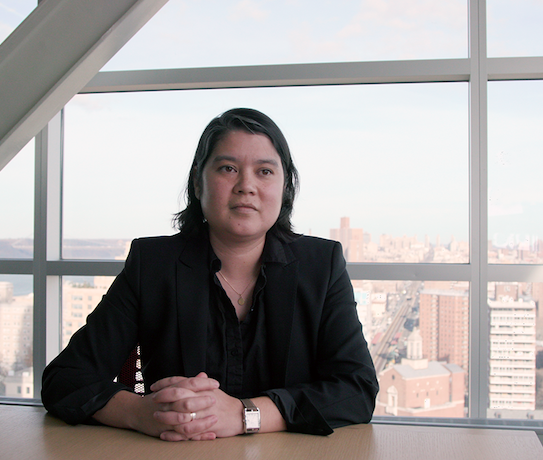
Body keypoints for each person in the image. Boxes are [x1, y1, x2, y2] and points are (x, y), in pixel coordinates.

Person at [41, 108, 378, 441]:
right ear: (198, 183)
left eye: (264, 171)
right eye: (228, 168)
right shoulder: (153, 264)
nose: (246, 186)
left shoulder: (321, 264)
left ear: (285, 187)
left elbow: (357, 389)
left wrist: (247, 414)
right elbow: (65, 379)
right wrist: (141, 412)